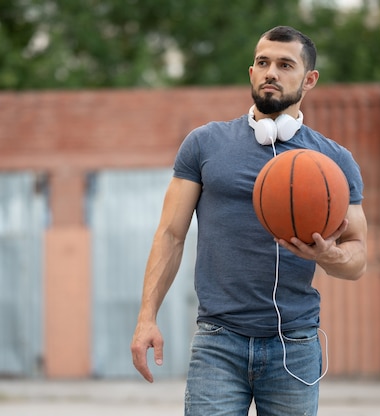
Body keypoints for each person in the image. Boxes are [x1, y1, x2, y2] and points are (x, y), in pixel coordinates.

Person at [130, 25, 367, 416]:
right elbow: (171, 235)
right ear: (252, 73)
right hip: (219, 341)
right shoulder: (205, 144)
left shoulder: (334, 161)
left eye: (285, 64)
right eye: (263, 62)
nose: (271, 71)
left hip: (294, 342)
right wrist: (146, 318)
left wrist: (327, 255)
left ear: (309, 80)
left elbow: (357, 258)